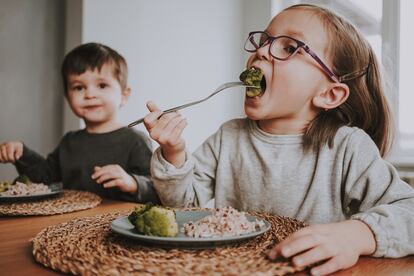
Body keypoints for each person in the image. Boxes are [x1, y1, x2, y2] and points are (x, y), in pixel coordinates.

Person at [142, 4, 414, 275]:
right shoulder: (228, 137)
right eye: (263, 41)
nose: (261, 51)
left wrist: (357, 235)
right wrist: (174, 153)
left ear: (328, 95)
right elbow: (182, 209)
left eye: (290, 47)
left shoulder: (347, 148)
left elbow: (409, 212)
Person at [0, 43, 159, 203]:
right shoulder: (69, 142)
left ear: (124, 95)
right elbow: (44, 178)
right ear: (67, 97)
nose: (90, 94)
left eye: (102, 85)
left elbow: (157, 190)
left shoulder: (135, 141)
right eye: (79, 88)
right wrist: (22, 154)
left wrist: (132, 183)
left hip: (116, 223)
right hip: (70, 223)